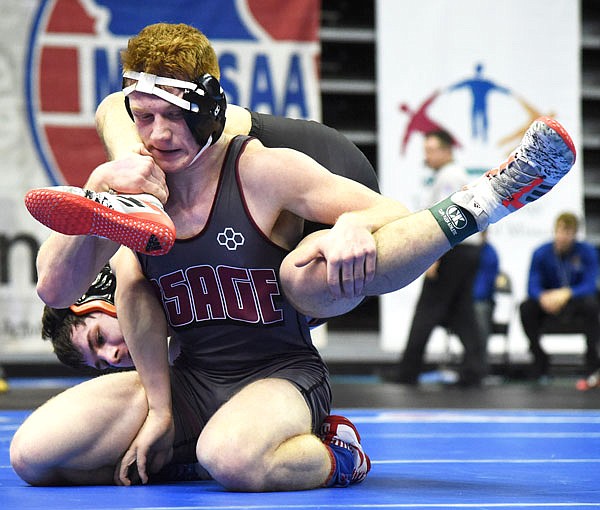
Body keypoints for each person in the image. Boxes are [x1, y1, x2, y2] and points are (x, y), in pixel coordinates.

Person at [13, 22, 575, 491]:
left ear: (208, 110)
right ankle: (187, 448)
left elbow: (389, 208)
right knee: (33, 456)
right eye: (144, 117)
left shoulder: (261, 168)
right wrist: (159, 409)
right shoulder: (136, 186)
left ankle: (487, 198)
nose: (157, 135)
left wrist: (353, 223)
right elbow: (64, 290)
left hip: (279, 372)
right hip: (191, 379)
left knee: (239, 438)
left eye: (171, 116)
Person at [392, 129, 486, 387]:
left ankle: (408, 371)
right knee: (461, 311)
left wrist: (434, 255)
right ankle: (475, 368)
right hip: (465, 250)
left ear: (446, 150)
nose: (428, 156)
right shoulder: (453, 175)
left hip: (452, 249)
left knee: (427, 309)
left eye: (431, 150)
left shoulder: (450, 176)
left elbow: (448, 218)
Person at [519, 212, 600, 379]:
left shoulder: (587, 252)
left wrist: (568, 293)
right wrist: (543, 297)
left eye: (568, 233)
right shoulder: (541, 253)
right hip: (548, 303)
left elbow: (591, 284)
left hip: (574, 303)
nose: (563, 237)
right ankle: (539, 357)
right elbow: (532, 285)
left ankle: (592, 360)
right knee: (526, 307)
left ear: (575, 234)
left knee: (592, 304)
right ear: (555, 231)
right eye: (561, 231)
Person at [473, 230, 500, 348]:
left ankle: (479, 359)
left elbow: (484, 287)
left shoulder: (490, 254)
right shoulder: (459, 251)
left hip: (480, 301)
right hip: (460, 300)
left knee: (479, 309)